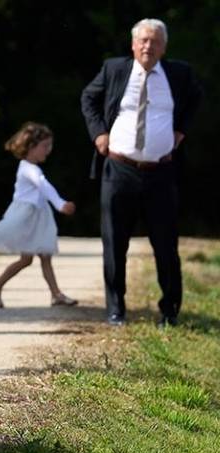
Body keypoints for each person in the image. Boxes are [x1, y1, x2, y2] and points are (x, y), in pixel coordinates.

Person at [81, 18, 202, 327]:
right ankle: (116, 309)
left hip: (161, 172)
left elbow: (197, 99)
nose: (148, 46)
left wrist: (180, 131)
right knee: (114, 243)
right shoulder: (115, 69)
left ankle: (170, 311)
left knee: (165, 244)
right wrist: (99, 134)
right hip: (119, 169)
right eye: (143, 41)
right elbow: (88, 98)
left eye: (155, 41)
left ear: (164, 47)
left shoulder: (179, 74)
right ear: (133, 44)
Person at [0, 122, 77, 308]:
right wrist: (60, 204)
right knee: (28, 259)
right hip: (28, 219)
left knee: (43, 256)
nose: (48, 150)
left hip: (37, 218)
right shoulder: (29, 169)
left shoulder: (30, 168)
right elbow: (44, 186)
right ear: (31, 147)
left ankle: (55, 294)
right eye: (44, 146)